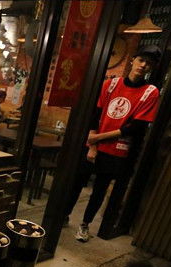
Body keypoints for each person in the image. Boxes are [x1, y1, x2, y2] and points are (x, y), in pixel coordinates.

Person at [66, 45, 161, 242]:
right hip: (94, 145)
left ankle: (85, 224)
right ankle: (64, 215)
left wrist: (98, 139)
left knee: (99, 190)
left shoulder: (150, 92)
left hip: (116, 150)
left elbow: (136, 127)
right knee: (76, 182)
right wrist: (92, 145)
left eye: (149, 63)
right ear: (133, 60)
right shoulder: (111, 84)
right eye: (142, 60)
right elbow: (96, 113)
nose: (144, 65)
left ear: (152, 68)